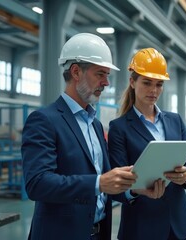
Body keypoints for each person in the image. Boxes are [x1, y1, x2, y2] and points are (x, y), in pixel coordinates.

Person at [21, 33, 137, 240]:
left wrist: (134, 190)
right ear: (76, 72)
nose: (107, 83)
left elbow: (105, 184)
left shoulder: (95, 124)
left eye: (107, 75)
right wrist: (98, 183)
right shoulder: (44, 120)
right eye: (100, 74)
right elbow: (38, 183)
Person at [108, 48, 186, 240]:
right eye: (147, 82)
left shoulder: (175, 120)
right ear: (132, 82)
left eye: (159, 84)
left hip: (177, 224)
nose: (154, 90)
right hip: (141, 225)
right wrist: (135, 190)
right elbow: (115, 183)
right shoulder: (119, 128)